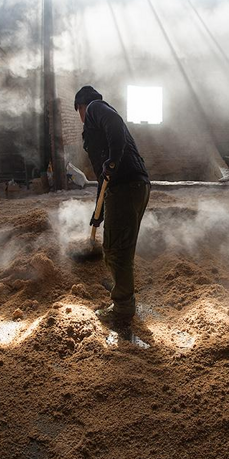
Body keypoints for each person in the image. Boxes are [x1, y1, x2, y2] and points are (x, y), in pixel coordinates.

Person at [74, 86, 150, 321]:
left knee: (117, 250)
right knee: (116, 247)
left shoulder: (96, 108)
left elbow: (115, 124)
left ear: (82, 106)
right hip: (131, 186)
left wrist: (113, 161)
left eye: (78, 112)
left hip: (125, 187)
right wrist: (99, 212)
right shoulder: (96, 126)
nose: (80, 118)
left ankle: (123, 307)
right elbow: (103, 180)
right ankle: (121, 289)